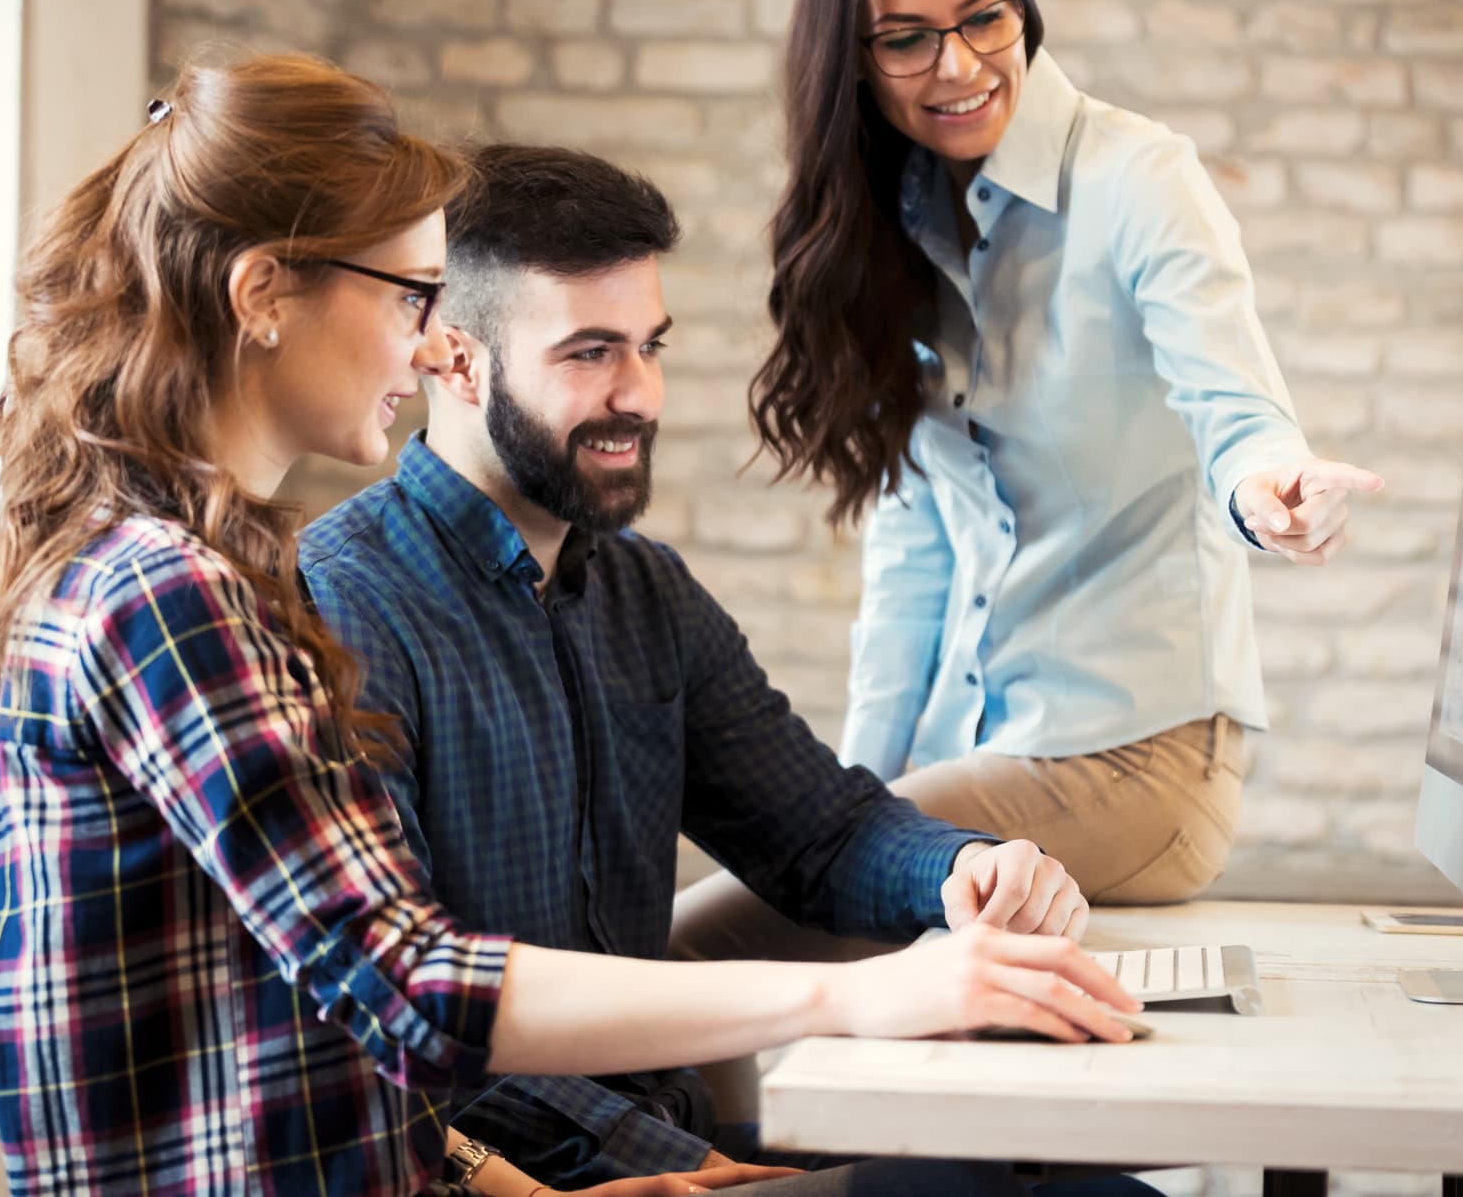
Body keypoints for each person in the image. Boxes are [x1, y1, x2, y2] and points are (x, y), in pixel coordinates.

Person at [0, 54, 1145, 1197]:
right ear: (264, 297)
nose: (423, 334)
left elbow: (338, 1047)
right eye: (407, 295)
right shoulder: (176, 596)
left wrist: (955, 885)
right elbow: (409, 984)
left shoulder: (194, 578)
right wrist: (856, 1001)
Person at [298, 144, 1122, 1189]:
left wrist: (963, 869)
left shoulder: (650, 595)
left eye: (651, 347)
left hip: (674, 1133)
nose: (639, 395)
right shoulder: (339, 608)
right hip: (544, 1174)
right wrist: (689, 1161)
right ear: (454, 360)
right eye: (590, 353)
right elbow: (398, 1017)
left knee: (1066, 1173)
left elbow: (822, 831)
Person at [673, 0, 1386, 964]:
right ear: (850, 60)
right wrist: (843, 806)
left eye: (983, 18)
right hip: (986, 764)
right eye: (906, 38)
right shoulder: (895, 227)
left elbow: (1231, 407)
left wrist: (1269, 492)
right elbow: (915, 554)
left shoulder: (1140, 180)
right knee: (784, 893)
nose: (956, 65)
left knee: (695, 944)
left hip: (1140, 766)